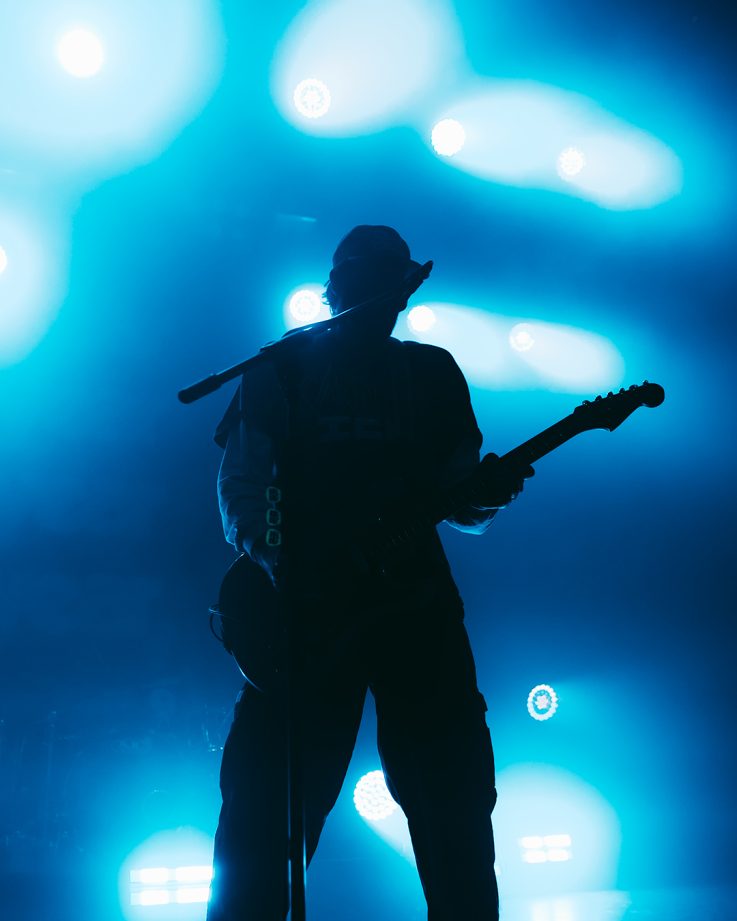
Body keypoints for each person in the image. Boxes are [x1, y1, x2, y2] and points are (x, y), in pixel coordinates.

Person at [207, 225, 533, 920]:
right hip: (305, 619)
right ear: (338, 289)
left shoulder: (431, 372)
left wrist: (487, 492)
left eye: (393, 281)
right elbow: (242, 481)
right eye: (367, 280)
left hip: (414, 610)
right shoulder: (282, 369)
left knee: (452, 802)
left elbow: (461, 500)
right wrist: (281, 563)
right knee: (267, 810)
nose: (382, 295)